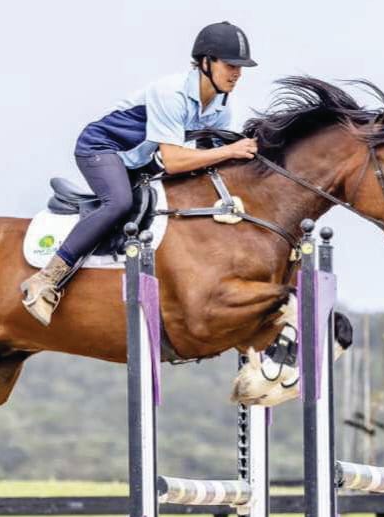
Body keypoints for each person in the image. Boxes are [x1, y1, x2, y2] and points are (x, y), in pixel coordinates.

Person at [21, 21, 259, 325]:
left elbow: (210, 163)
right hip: (102, 148)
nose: (237, 73)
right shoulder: (170, 93)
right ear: (205, 62)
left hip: (142, 159)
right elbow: (174, 160)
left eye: (241, 67)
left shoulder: (222, 107)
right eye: (231, 65)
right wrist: (230, 150)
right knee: (118, 203)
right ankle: (45, 279)